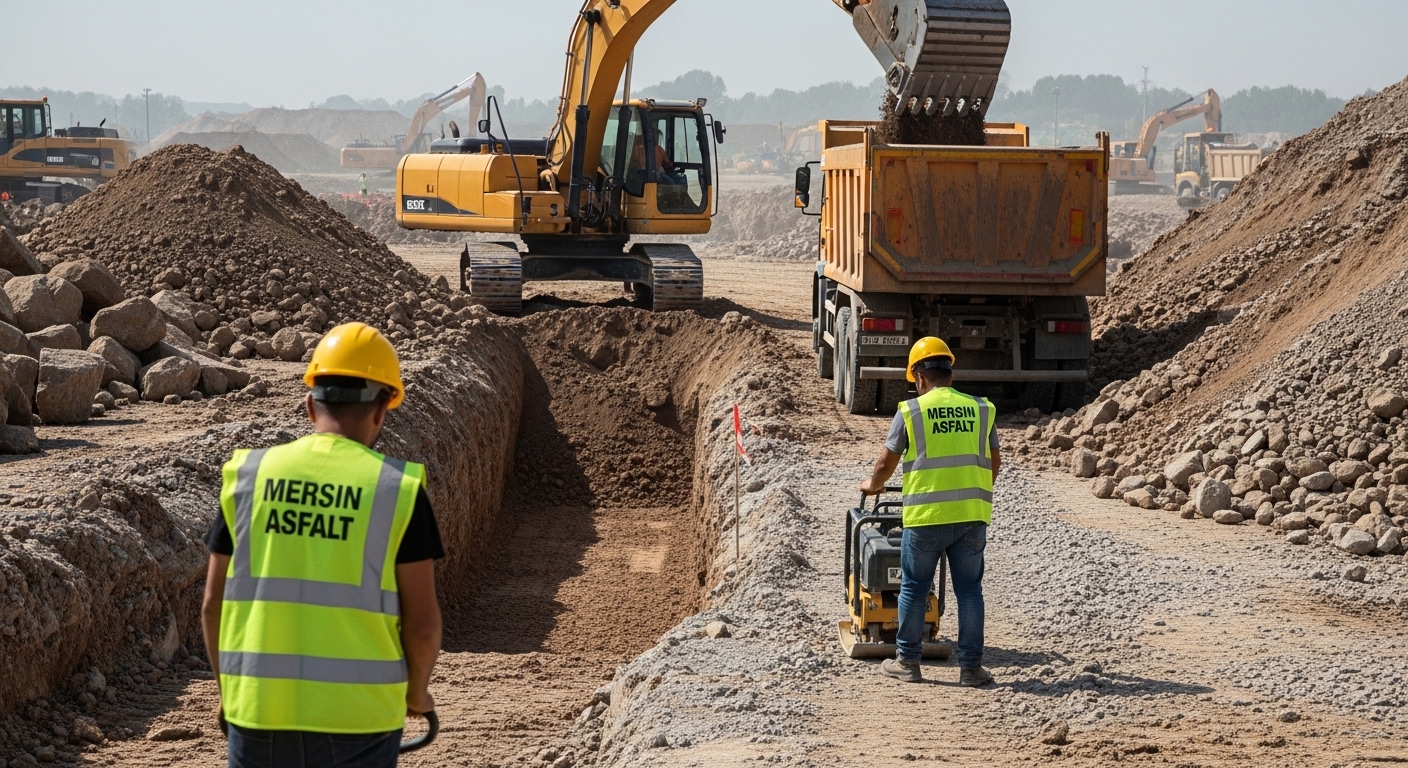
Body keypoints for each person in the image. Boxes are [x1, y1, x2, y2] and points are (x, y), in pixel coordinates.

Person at [201, 322, 444, 767]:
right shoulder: (396, 489)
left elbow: (213, 604)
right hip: (360, 722)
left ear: (310, 406)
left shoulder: (248, 478)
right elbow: (423, 625)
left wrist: (228, 693)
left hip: (257, 713)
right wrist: (417, 692)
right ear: (381, 410)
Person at [859, 337, 999, 687]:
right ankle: (970, 669)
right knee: (969, 591)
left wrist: (873, 486)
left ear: (919, 376)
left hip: (926, 519)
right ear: (949, 373)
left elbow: (884, 463)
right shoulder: (982, 408)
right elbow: (994, 464)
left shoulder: (912, 411)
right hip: (970, 516)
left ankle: (907, 662)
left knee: (914, 587)